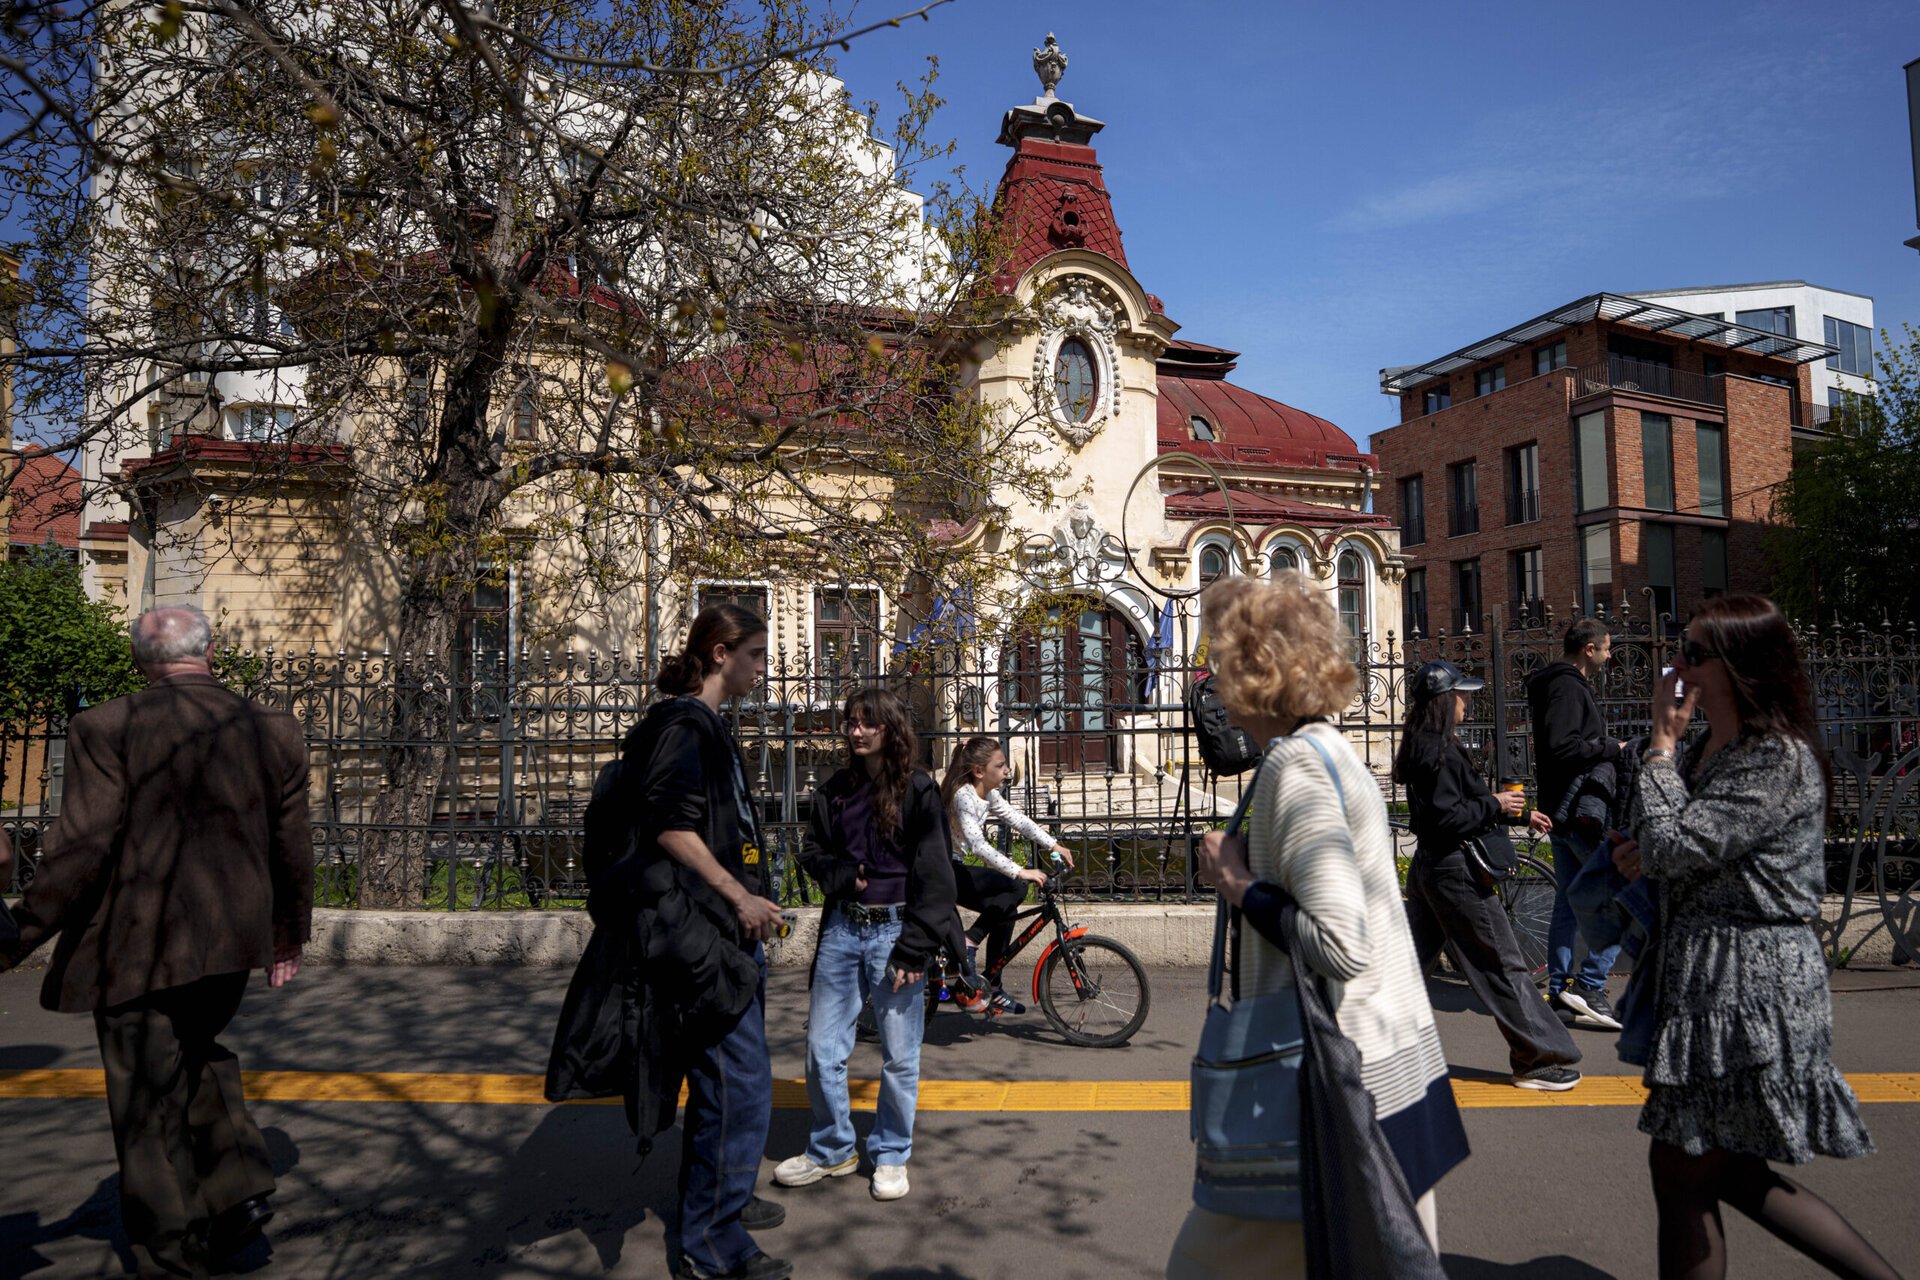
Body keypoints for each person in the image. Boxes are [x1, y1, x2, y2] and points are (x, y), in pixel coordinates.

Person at [0, 605, 313, 1279]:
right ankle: (236, 1191)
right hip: (233, 942)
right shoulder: (273, 729)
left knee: (146, 1093)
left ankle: (174, 1252)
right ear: (211, 652)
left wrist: (19, 934)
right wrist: (287, 936)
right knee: (194, 1052)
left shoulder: (107, 726)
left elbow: (83, 846)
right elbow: (292, 845)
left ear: (141, 661)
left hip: (137, 945)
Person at [1168, 575, 1467, 1278]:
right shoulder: (1329, 749)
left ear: (1253, 669)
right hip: (1387, 1065)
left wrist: (1237, 884)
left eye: (1221, 657)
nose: (1211, 676)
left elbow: (1340, 942)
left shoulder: (1298, 765)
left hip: (1332, 1082)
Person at [1612, 596, 1899, 1280]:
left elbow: (1680, 841)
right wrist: (1640, 851)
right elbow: (1675, 840)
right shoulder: (1720, 748)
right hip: (1707, 978)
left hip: (1755, 985)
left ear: (1742, 669)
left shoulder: (1777, 759)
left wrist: (1659, 747)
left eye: (1694, 652)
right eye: (1681, 646)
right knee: (1722, 1168)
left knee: (1686, 1163)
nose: (1676, 664)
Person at [594, 604, 790, 1280]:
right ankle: (712, 1243)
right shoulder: (685, 726)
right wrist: (737, 896)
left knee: (722, 1081)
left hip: (723, 929)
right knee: (739, 1085)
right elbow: (671, 828)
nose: (764, 670)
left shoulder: (700, 724)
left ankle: (722, 1201)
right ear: (718, 654)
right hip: (706, 933)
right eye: (757, 655)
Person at [776, 688, 958, 1204]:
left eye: (867, 723)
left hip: (897, 933)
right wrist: (839, 875)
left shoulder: (918, 790)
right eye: (851, 722)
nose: (856, 731)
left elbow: (937, 876)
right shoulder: (834, 790)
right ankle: (833, 1148)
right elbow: (812, 853)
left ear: (890, 729)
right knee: (821, 1048)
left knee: (900, 1055)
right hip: (842, 930)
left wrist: (913, 948)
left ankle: (892, 1152)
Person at [1396, 659, 1585, 1091]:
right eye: (1461, 693)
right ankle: (1538, 1059)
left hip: (1432, 867)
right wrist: (1496, 805)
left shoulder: (1425, 743)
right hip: (1455, 873)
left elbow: (1454, 811)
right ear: (1445, 701)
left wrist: (1517, 815)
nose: (1467, 700)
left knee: (1403, 970)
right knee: (1502, 965)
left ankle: (1354, 1048)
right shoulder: (1440, 751)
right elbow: (1449, 817)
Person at [1527, 616, 1627, 1030]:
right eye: (1606, 648)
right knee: (1620, 895)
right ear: (1589, 649)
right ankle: (1589, 985)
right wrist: (1610, 746)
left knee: (1568, 902)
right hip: (1579, 813)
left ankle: (1563, 989)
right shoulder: (1567, 688)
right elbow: (1561, 746)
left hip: (1563, 809)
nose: (1609, 655)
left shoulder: (1558, 685)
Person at [939, 735, 1075, 1015]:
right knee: (1014, 888)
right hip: (942, 871)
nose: (1007, 771)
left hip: (955, 867)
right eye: (1001, 766)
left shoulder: (987, 794)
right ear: (979, 771)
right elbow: (978, 845)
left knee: (1008, 904)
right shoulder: (964, 796)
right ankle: (970, 940)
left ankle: (991, 986)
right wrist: (1021, 871)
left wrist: (1053, 844)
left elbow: (1018, 819)